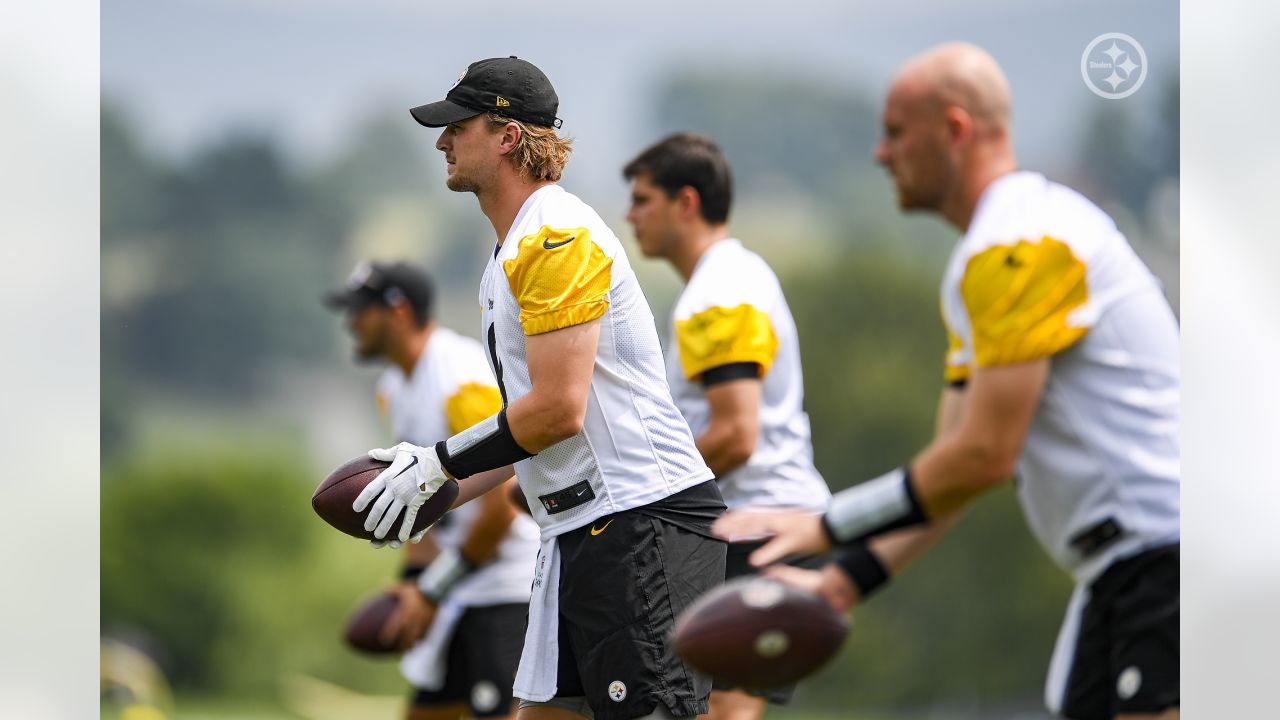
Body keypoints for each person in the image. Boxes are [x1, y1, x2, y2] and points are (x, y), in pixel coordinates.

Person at [713, 42, 1180, 720]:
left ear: (956, 130)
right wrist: (843, 583)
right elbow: (948, 476)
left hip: (1167, 564)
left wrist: (827, 524)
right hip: (1129, 573)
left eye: (897, 132)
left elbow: (982, 458)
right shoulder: (996, 247)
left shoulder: (1016, 245)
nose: (880, 153)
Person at [351, 56, 728, 720]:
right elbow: (525, 431)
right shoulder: (511, 251)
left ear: (506, 134)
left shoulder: (557, 237)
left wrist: (436, 462)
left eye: (457, 127)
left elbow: (556, 411)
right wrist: (431, 494)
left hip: (639, 524)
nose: (441, 141)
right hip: (580, 532)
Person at [622, 133, 831, 720]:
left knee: (721, 715)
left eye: (642, 200)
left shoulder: (720, 293)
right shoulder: (727, 279)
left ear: (685, 203)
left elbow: (738, 434)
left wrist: (641, 500)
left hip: (760, 527)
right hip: (757, 524)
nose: (629, 214)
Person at [326, 260, 540, 720]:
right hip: (458, 584)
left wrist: (432, 591)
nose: (351, 323)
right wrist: (410, 589)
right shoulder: (393, 388)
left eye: (360, 310)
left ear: (398, 311)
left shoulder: (459, 378)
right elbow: (427, 514)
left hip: (507, 586)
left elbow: (500, 507)